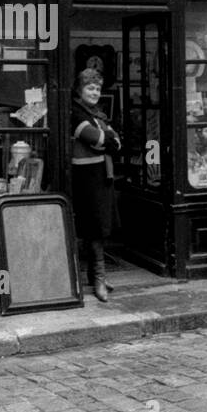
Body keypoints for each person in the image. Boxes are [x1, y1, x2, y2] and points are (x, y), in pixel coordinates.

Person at [70, 68, 120, 302]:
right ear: (80, 89)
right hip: (87, 176)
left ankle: (95, 276)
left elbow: (117, 142)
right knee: (95, 228)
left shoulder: (96, 113)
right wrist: (108, 139)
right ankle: (98, 279)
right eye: (90, 88)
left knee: (101, 227)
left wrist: (109, 140)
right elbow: (98, 139)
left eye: (98, 89)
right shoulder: (75, 112)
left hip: (102, 175)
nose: (95, 93)